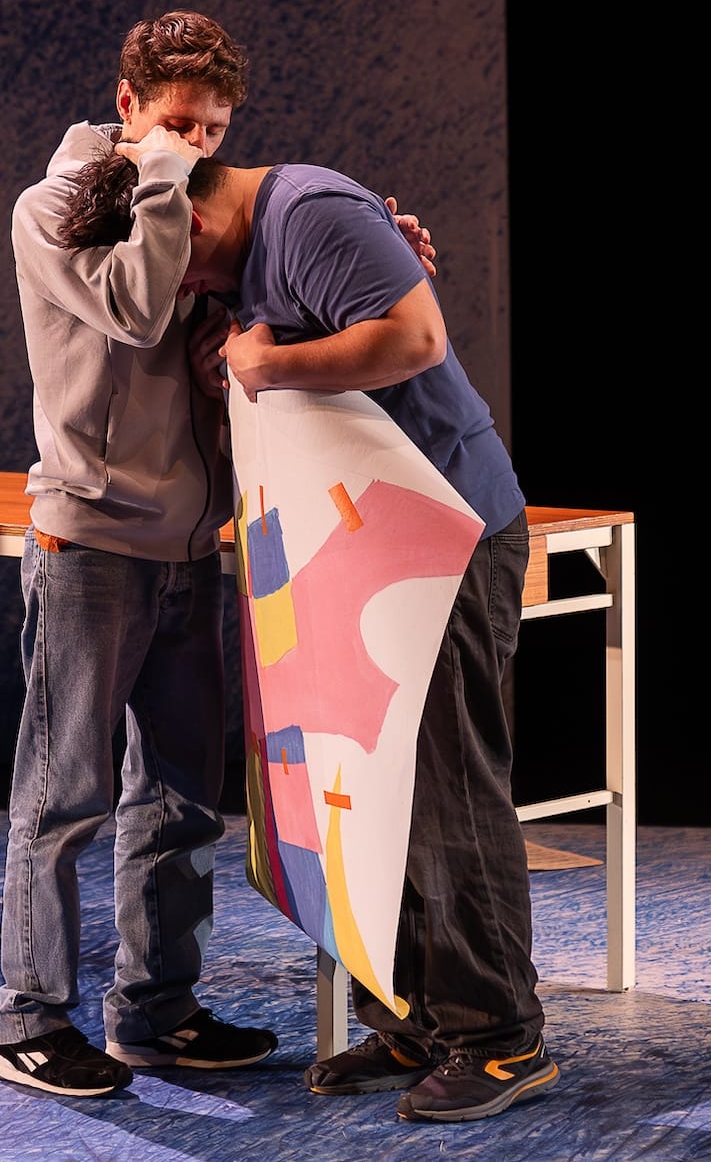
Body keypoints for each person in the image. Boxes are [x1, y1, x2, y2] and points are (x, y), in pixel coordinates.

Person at [0, 11, 438, 1098]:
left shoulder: (180, 204)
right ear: (128, 104)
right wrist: (160, 176)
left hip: (192, 548)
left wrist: (385, 253)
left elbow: (244, 335)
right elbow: (140, 309)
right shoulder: (53, 209)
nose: (194, 145)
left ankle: (155, 1009)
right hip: (90, 544)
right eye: (177, 123)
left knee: (180, 798)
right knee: (63, 796)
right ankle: (27, 1018)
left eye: (214, 129)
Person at [172, 152, 554, 1124]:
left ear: (194, 221)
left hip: (443, 534)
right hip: (367, 549)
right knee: (379, 791)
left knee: (448, 791)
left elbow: (416, 337)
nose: (185, 291)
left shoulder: (307, 212)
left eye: (180, 269)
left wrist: (270, 365)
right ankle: (419, 1018)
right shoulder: (259, 246)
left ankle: (500, 1035)